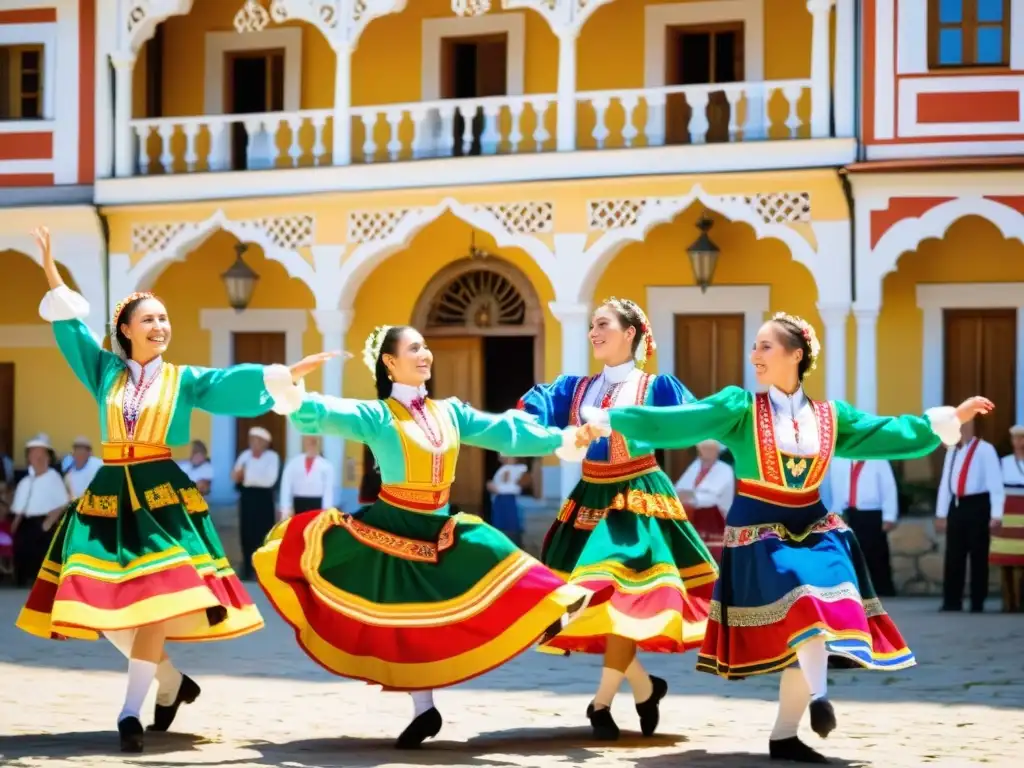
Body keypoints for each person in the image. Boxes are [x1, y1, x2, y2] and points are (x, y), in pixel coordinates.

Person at [579, 311, 993, 764]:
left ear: (795, 355)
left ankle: (787, 732)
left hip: (816, 527)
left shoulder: (831, 417)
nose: (754, 355)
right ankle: (820, 697)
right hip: (761, 534)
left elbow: (886, 432)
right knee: (804, 602)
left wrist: (949, 418)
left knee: (817, 607)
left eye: (765, 347)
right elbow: (683, 420)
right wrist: (615, 419)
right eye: (755, 346)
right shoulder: (740, 408)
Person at [14, 227, 334, 753]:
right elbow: (70, 327)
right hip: (110, 495)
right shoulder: (104, 373)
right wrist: (51, 267)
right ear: (126, 330)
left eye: (164, 319)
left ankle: (128, 712)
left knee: (157, 603)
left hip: (163, 497)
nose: (160, 326)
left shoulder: (183, 378)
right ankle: (168, 682)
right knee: (97, 602)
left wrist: (284, 374)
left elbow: (231, 383)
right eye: (149, 320)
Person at [253, 324, 610, 749]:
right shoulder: (377, 415)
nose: (425, 354)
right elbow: (324, 412)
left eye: (426, 347)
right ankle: (425, 712)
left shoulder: (450, 412)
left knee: (495, 551)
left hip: (438, 526)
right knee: (407, 624)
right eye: (414, 348)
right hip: (391, 529)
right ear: (390, 362)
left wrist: (565, 438)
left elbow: (506, 432)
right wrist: (290, 384)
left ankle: (555, 604)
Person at [517, 298, 717, 741]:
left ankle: (601, 703)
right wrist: (563, 437)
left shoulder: (655, 387)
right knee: (599, 602)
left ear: (630, 334)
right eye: (591, 325)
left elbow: (692, 422)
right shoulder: (574, 388)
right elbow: (531, 418)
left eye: (603, 324)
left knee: (619, 594)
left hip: (638, 496)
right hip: (590, 495)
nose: (594, 332)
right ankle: (645, 688)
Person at [934, 419, 1003, 613]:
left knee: (978, 554)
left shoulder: (985, 450)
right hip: (957, 504)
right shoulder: (952, 451)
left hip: (978, 505)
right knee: (954, 554)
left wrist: (996, 514)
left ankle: (977, 601)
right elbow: (945, 483)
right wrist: (941, 513)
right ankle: (952, 600)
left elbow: (995, 483)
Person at [830, 458, 899, 597]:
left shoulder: (879, 460)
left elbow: (888, 488)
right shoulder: (839, 460)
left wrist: (889, 516)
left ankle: (884, 589)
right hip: (848, 511)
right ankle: (854, 591)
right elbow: (835, 486)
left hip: (872, 511)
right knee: (850, 553)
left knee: (876, 553)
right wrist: (835, 511)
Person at [10, 434, 69, 586]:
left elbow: (63, 504)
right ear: (29, 457)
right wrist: (14, 526)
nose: (38, 457)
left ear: (48, 458)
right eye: (34, 453)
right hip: (26, 522)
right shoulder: (25, 481)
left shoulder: (53, 477)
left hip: (44, 523)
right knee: (22, 552)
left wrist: (48, 523)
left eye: (42, 454)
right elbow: (18, 509)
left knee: (41, 554)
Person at [232, 426, 280, 580]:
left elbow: (269, 480)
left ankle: (262, 570)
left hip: (264, 499)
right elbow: (235, 476)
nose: (253, 443)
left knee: (263, 533)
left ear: (265, 443)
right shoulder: (245, 455)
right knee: (246, 534)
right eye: (252, 439)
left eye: (257, 440)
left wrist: (247, 475)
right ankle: (247, 569)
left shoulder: (272, 457)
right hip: (247, 498)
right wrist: (246, 476)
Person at [675, 440, 734, 562]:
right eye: (703, 448)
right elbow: (679, 489)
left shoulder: (725, 469)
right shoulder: (696, 465)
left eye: (710, 449)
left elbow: (711, 499)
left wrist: (690, 497)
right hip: (692, 520)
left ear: (717, 450)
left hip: (717, 525)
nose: (706, 452)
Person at [992, 424, 1024, 611]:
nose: (1019, 442)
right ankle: (1009, 602)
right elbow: (996, 490)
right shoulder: (1004, 462)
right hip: (1008, 516)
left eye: (1022, 438)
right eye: (1016, 438)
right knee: (1007, 561)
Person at [279, 435, 334, 518]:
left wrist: (326, 511)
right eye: (308, 441)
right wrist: (285, 507)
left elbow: (328, 490)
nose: (310, 444)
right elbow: (286, 485)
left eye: (313, 442)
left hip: (317, 504)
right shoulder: (293, 463)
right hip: (298, 503)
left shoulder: (326, 466)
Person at [487, 455, 530, 547]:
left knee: (510, 525)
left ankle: (511, 546)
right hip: (500, 500)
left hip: (508, 499)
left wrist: (497, 488)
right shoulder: (504, 468)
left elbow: (514, 487)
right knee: (501, 525)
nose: (500, 457)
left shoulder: (518, 469)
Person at [63, 436, 104, 500]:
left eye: (82, 449)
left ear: (89, 453)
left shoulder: (98, 464)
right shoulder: (70, 473)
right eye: (77, 449)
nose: (79, 452)